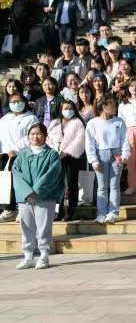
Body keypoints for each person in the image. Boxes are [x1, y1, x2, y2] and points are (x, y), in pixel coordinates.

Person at [12, 123, 64, 270]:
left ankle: (44, 255)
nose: (36, 137)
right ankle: (28, 256)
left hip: (45, 196)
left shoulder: (52, 154)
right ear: (28, 136)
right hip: (25, 198)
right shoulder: (22, 155)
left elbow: (51, 175)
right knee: (26, 226)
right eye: (33, 134)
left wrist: (36, 191)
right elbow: (16, 174)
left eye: (39, 134)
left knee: (43, 227)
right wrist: (27, 192)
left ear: (45, 136)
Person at [84, 95, 130, 224]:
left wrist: (125, 155)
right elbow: (89, 143)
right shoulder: (93, 123)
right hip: (101, 154)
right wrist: (93, 160)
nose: (115, 108)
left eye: (115, 106)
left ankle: (113, 213)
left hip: (116, 154)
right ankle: (101, 213)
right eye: (112, 106)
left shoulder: (119, 121)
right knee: (102, 187)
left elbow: (125, 139)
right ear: (104, 107)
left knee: (114, 186)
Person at [0, 93, 39, 222]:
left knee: (22, 183)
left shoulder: (31, 118)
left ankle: (23, 210)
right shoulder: (4, 119)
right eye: (13, 102)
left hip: (23, 154)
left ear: (24, 102)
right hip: (5, 155)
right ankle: (9, 210)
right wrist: (5, 150)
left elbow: (32, 136)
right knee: (6, 183)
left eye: (19, 101)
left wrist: (16, 150)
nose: (16, 104)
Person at [46, 100, 86, 222]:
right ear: (61, 110)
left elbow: (80, 139)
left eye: (70, 108)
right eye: (65, 108)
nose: (68, 111)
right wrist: (55, 150)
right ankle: (59, 211)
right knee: (59, 184)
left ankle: (71, 211)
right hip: (57, 157)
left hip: (71, 157)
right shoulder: (55, 123)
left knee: (71, 183)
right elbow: (48, 138)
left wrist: (67, 151)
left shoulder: (78, 122)